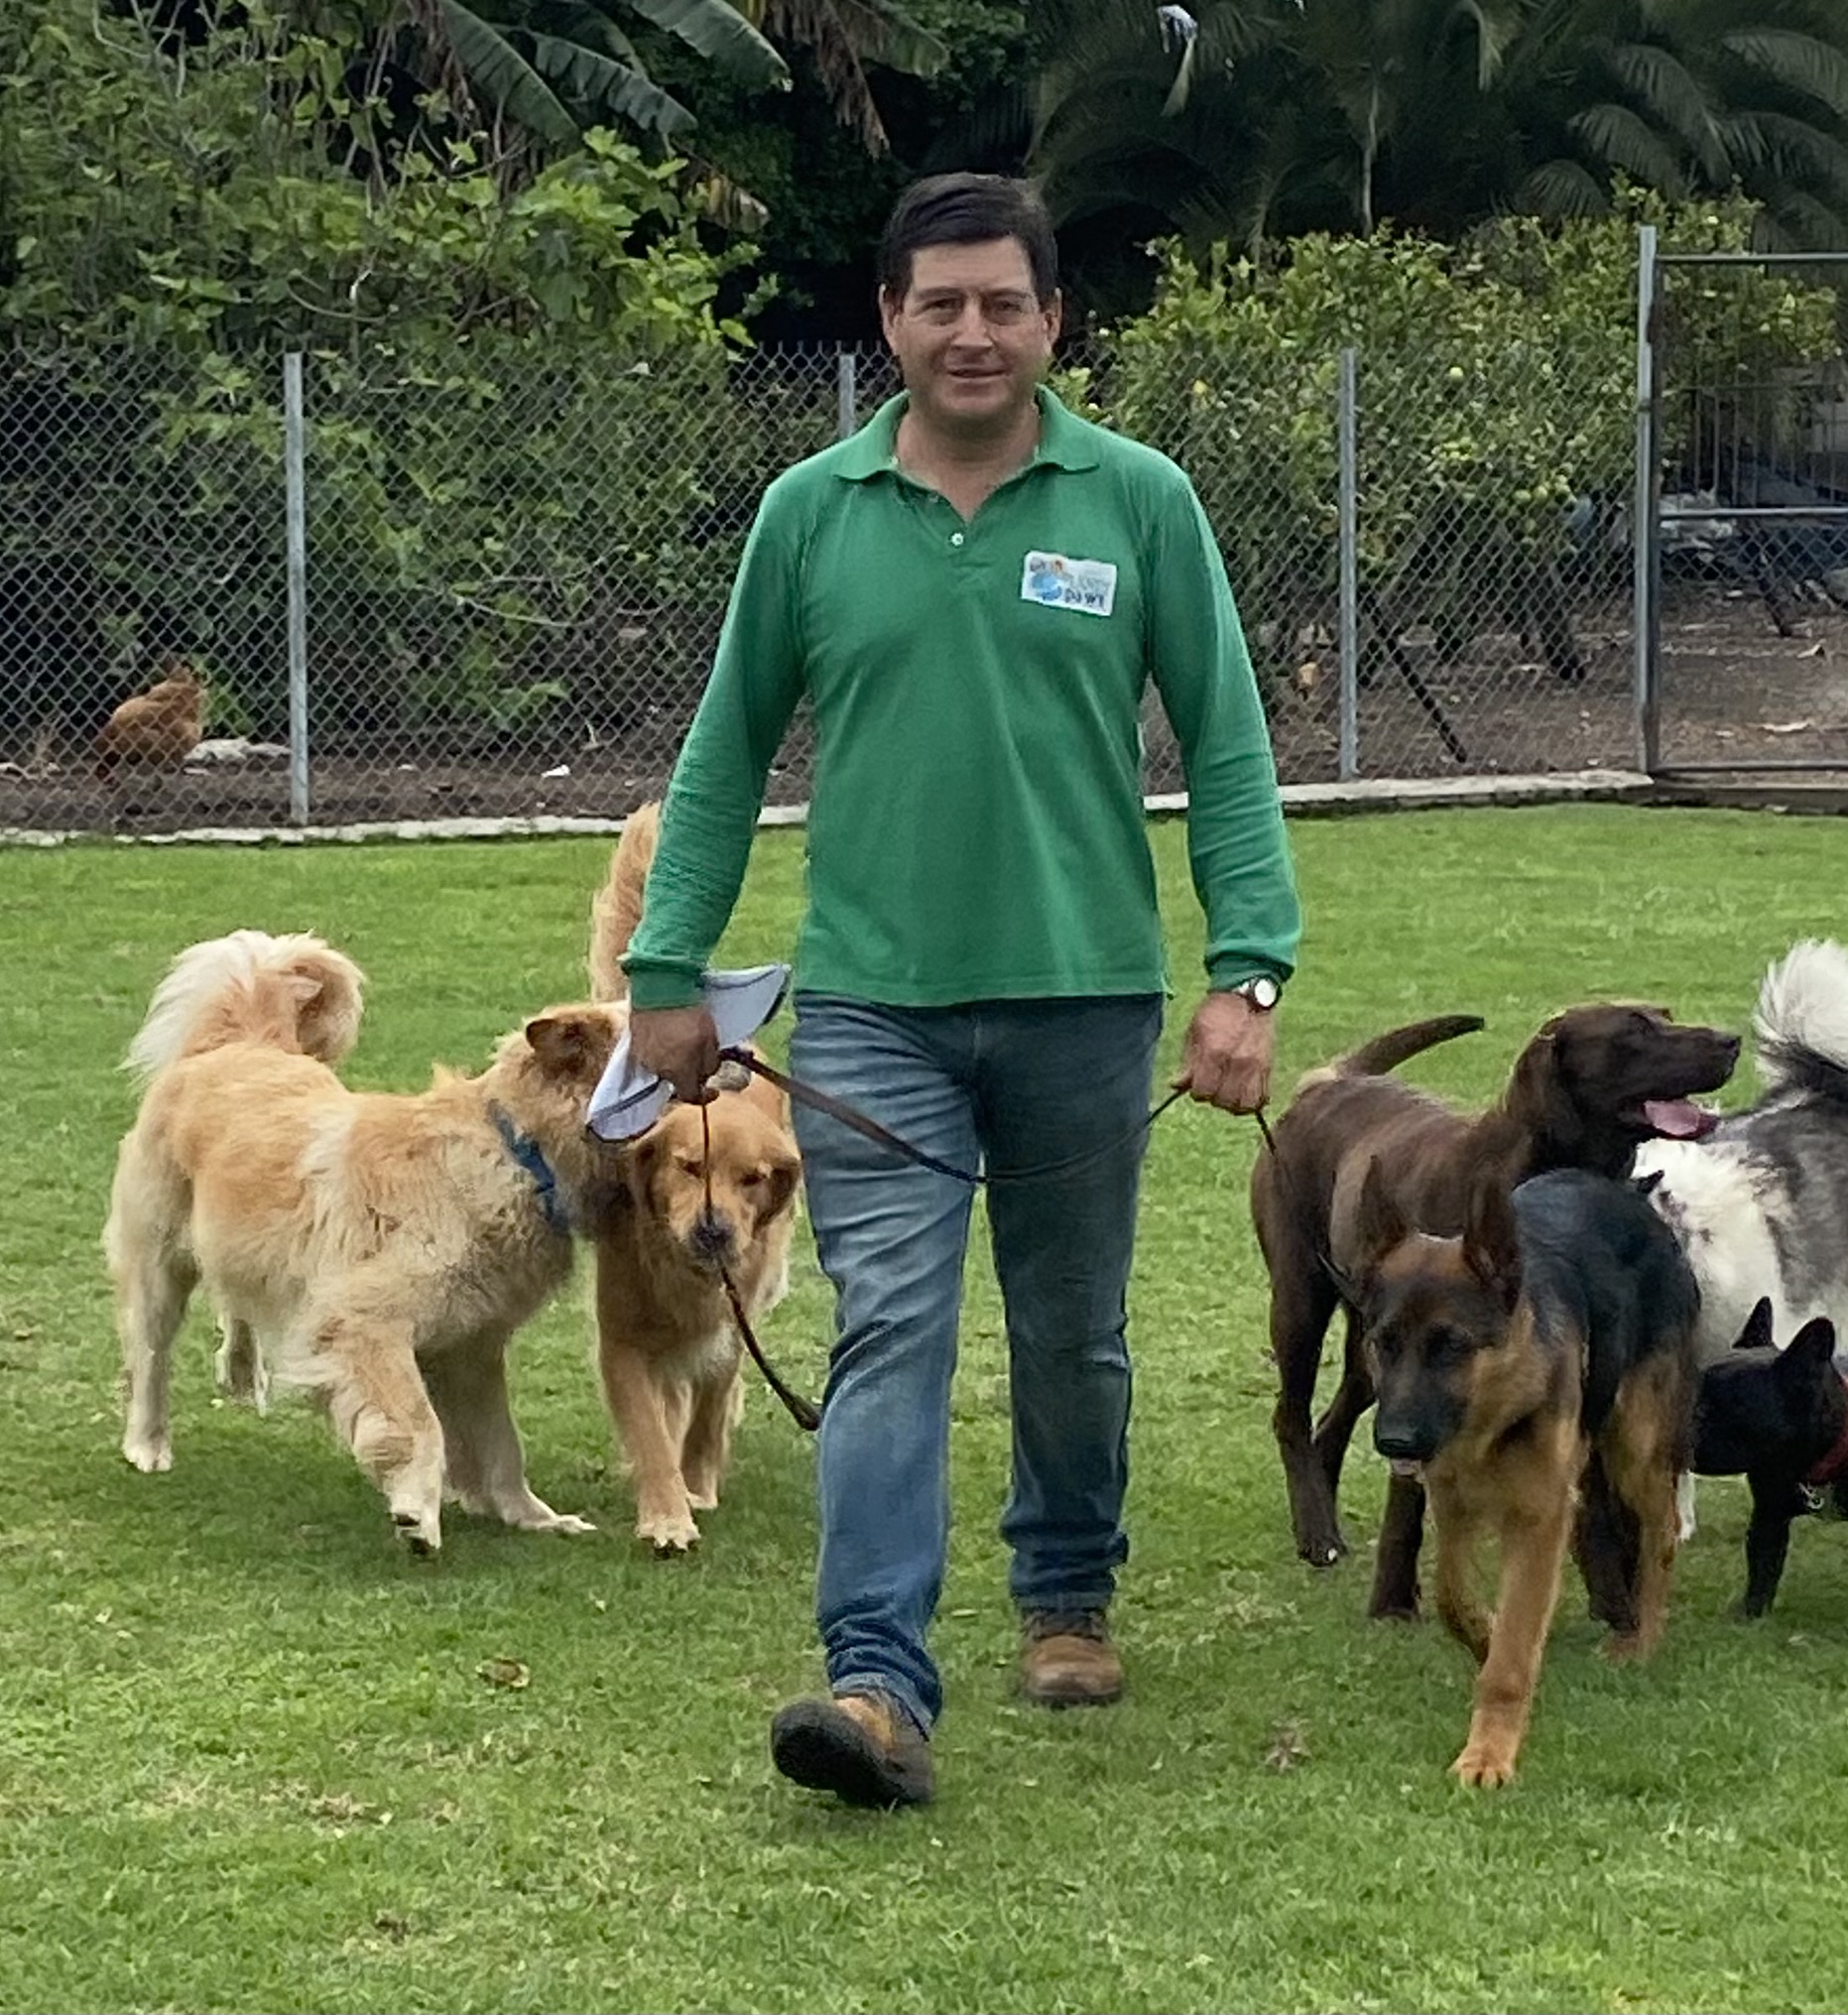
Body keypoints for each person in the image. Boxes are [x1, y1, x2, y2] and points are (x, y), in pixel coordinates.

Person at [621, 172, 1301, 1810]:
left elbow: (1224, 744)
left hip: (1085, 1002)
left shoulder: (1136, 501)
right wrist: (666, 969)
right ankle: (873, 1679)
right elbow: (723, 756)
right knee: (892, 1332)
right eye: (941, 303)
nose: (973, 331)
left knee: (1073, 1332)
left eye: (1004, 302)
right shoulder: (810, 513)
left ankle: (1066, 1589)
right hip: (871, 1015)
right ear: (890, 323)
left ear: (1053, 320)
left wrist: (1248, 971)